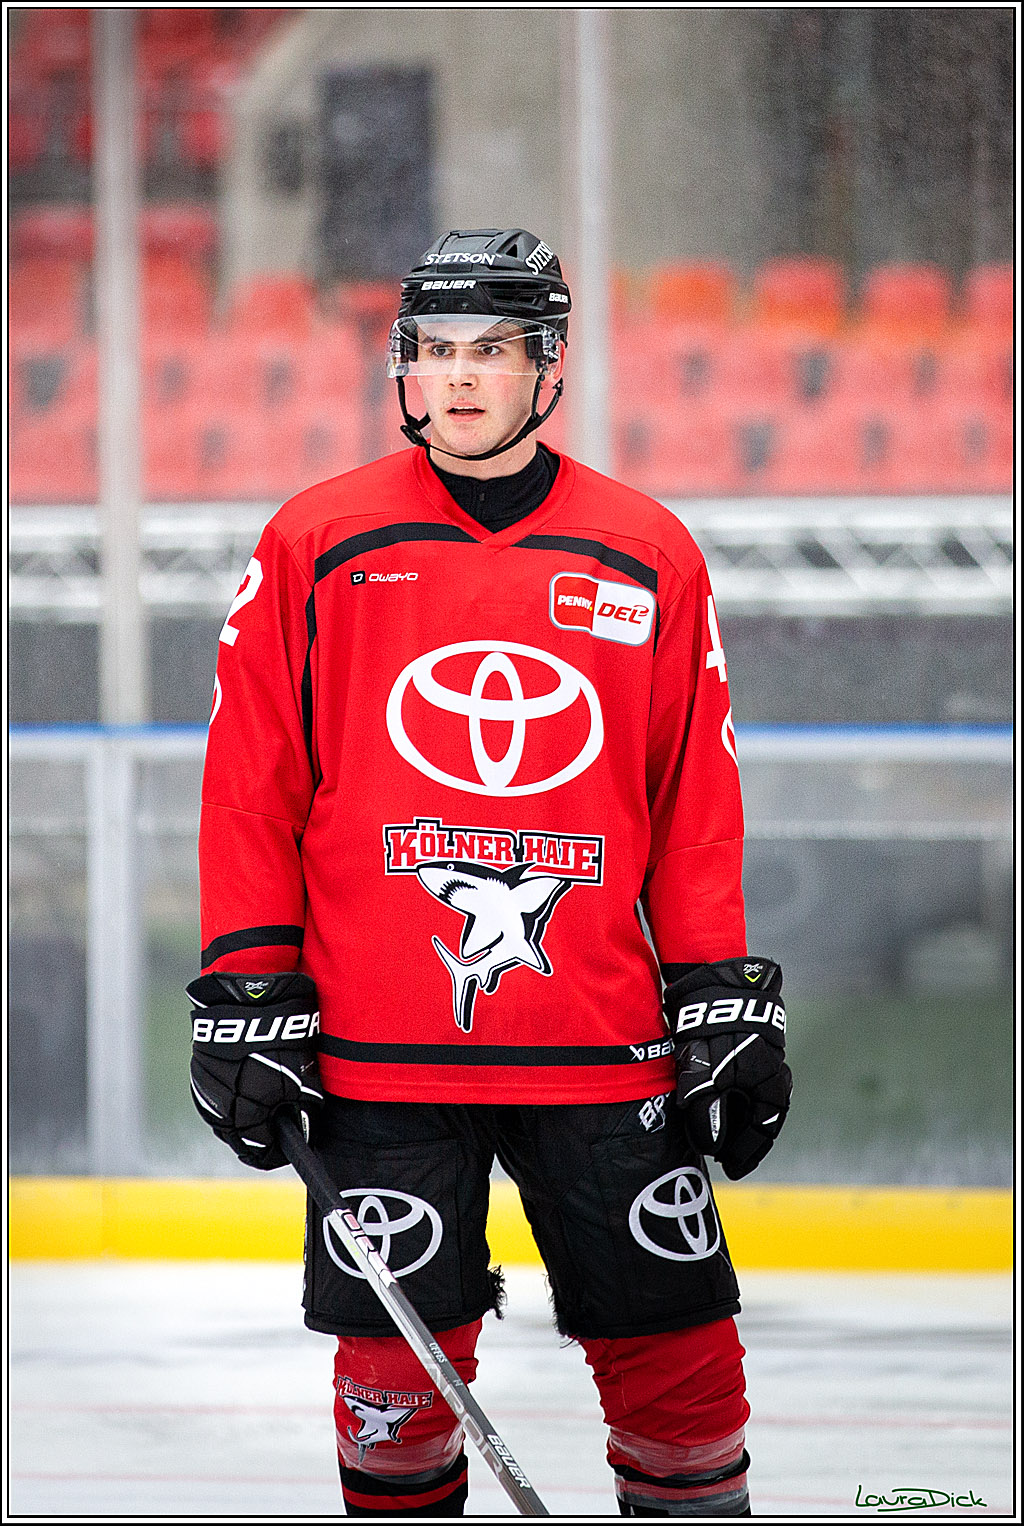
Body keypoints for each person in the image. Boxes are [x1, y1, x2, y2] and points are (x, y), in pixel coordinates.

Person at [188, 228, 792, 1517]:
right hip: (378, 1053)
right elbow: (252, 784)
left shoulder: (648, 552)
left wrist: (721, 996)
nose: (460, 380)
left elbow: (693, 804)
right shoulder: (317, 542)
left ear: (549, 365)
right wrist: (247, 985)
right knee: (394, 1418)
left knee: (687, 1401)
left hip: (601, 1046)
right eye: (436, 352)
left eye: (493, 351)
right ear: (406, 367)